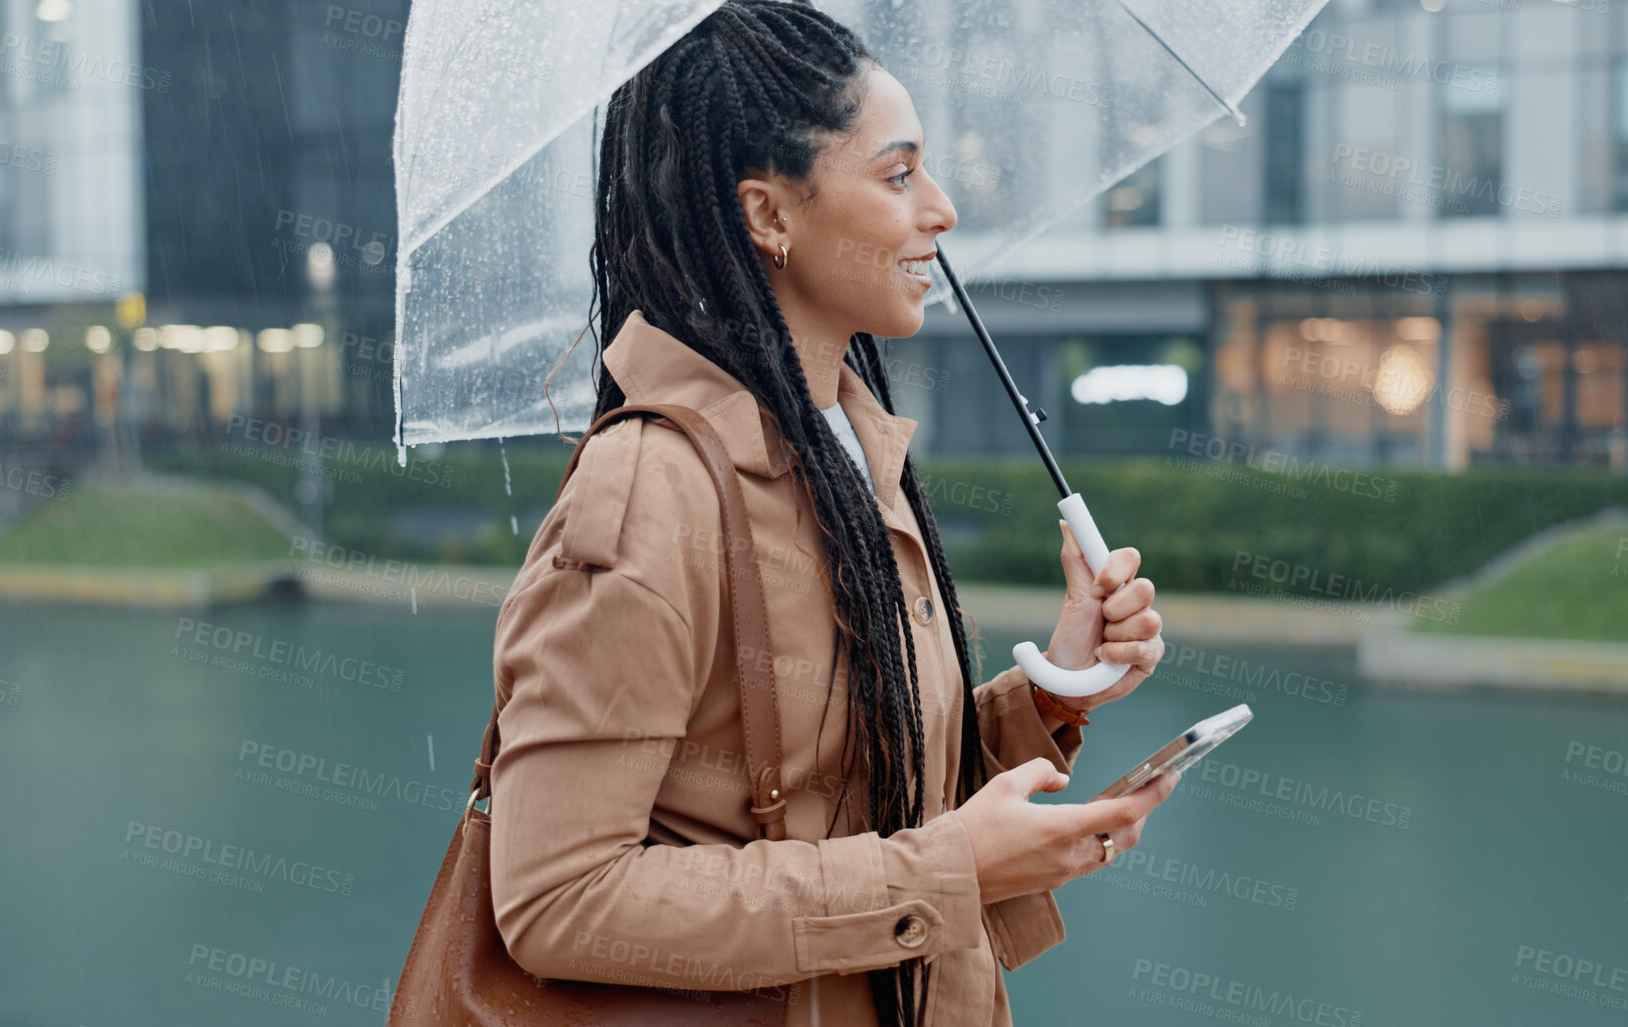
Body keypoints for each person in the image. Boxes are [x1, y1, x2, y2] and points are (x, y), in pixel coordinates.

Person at [488, 3, 1174, 1025]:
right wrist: (940, 871)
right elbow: (557, 897)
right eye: (898, 176)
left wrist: (1053, 691)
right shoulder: (651, 489)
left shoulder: (851, 448)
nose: (940, 209)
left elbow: (859, 783)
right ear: (769, 214)